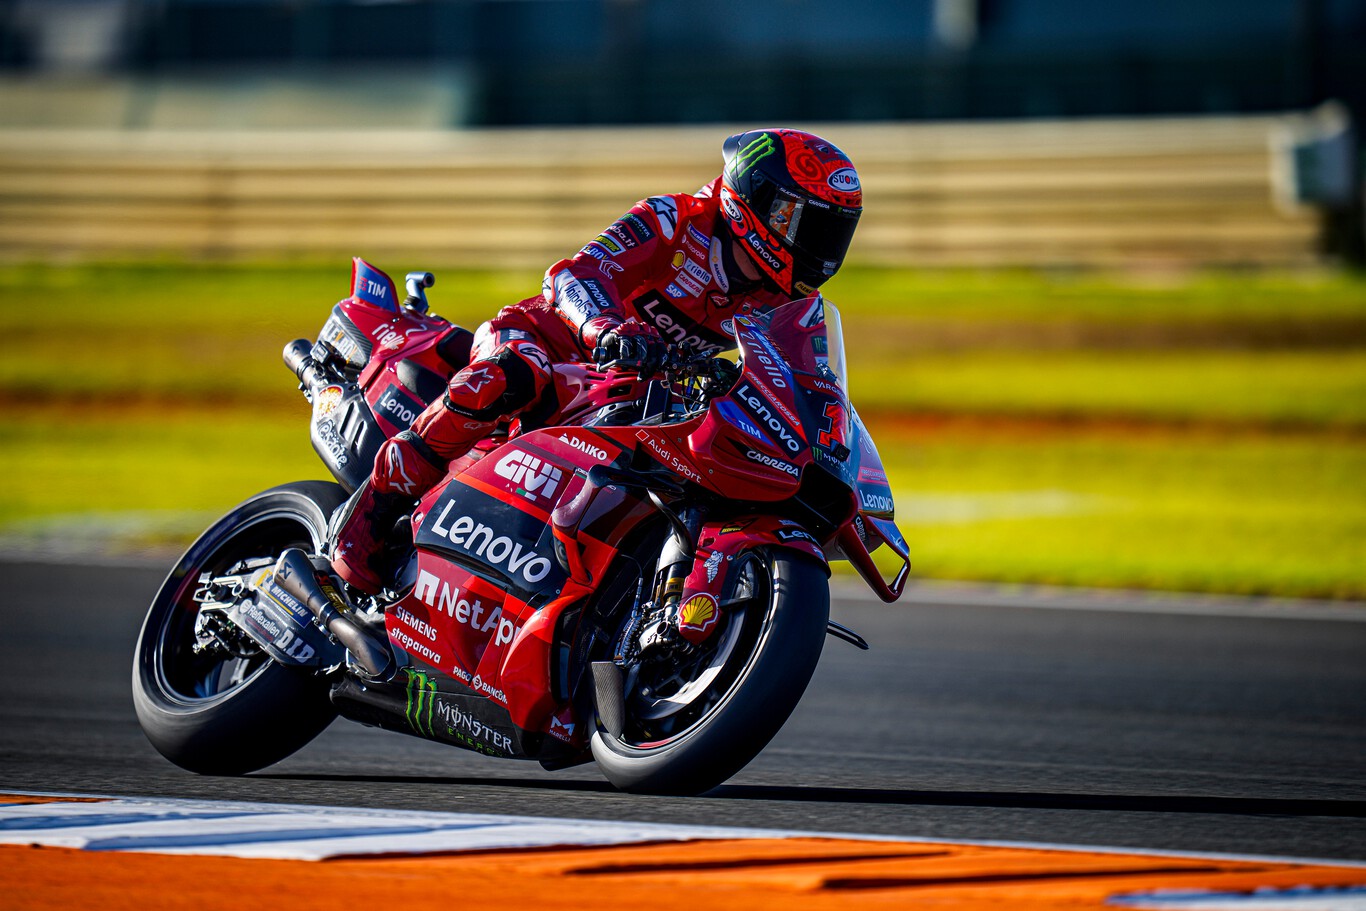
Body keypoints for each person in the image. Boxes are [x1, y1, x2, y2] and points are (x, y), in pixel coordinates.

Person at [330, 128, 864, 593]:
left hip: (639, 392)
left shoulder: (789, 301)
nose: (824, 249)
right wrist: (604, 328)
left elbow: (805, 378)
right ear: (765, 204)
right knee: (517, 372)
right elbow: (573, 276)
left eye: (836, 233)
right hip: (547, 342)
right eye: (813, 227)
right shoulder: (675, 220)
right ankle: (375, 506)